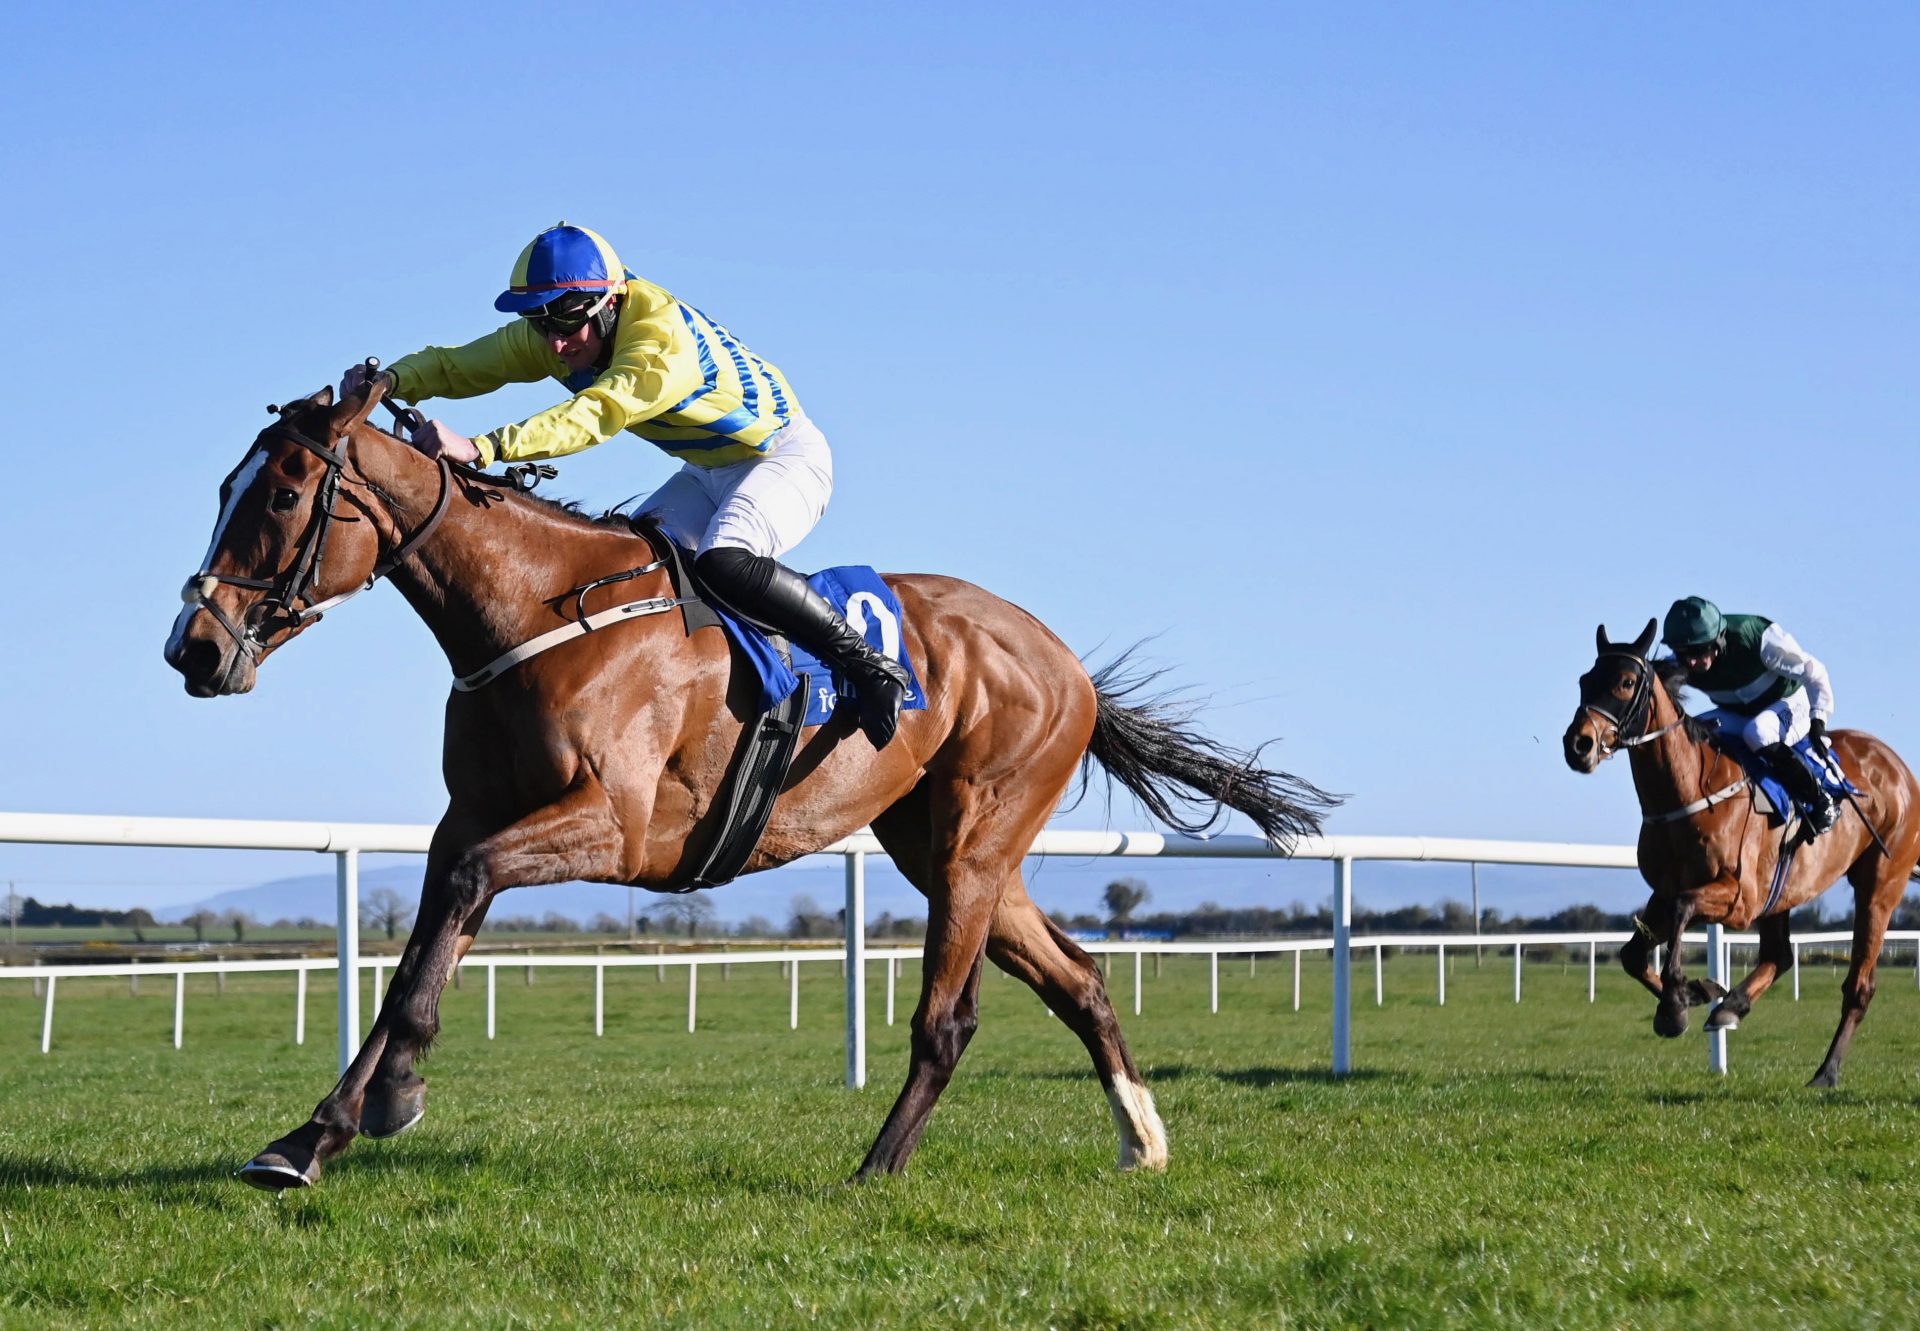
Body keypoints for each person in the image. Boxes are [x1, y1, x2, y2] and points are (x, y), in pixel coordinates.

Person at [340, 223, 911, 746]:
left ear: (609, 303)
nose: (556, 343)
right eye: (541, 324)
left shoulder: (658, 340)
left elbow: (597, 414)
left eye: (567, 323)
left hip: (782, 458)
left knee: (724, 559)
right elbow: (460, 364)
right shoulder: (562, 327)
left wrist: (483, 447)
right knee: (629, 570)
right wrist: (390, 379)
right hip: (705, 472)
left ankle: (868, 665)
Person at [1661, 595, 1839, 834]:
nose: (1691, 662)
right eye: (1683, 653)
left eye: (1698, 651)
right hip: (1739, 712)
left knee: (1758, 732)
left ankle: (1822, 799)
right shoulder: (1680, 663)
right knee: (1691, 730)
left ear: (1718, 639)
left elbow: (1815, 673)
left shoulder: (1756, 637)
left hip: (1788, 701)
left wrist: (1818, 719)